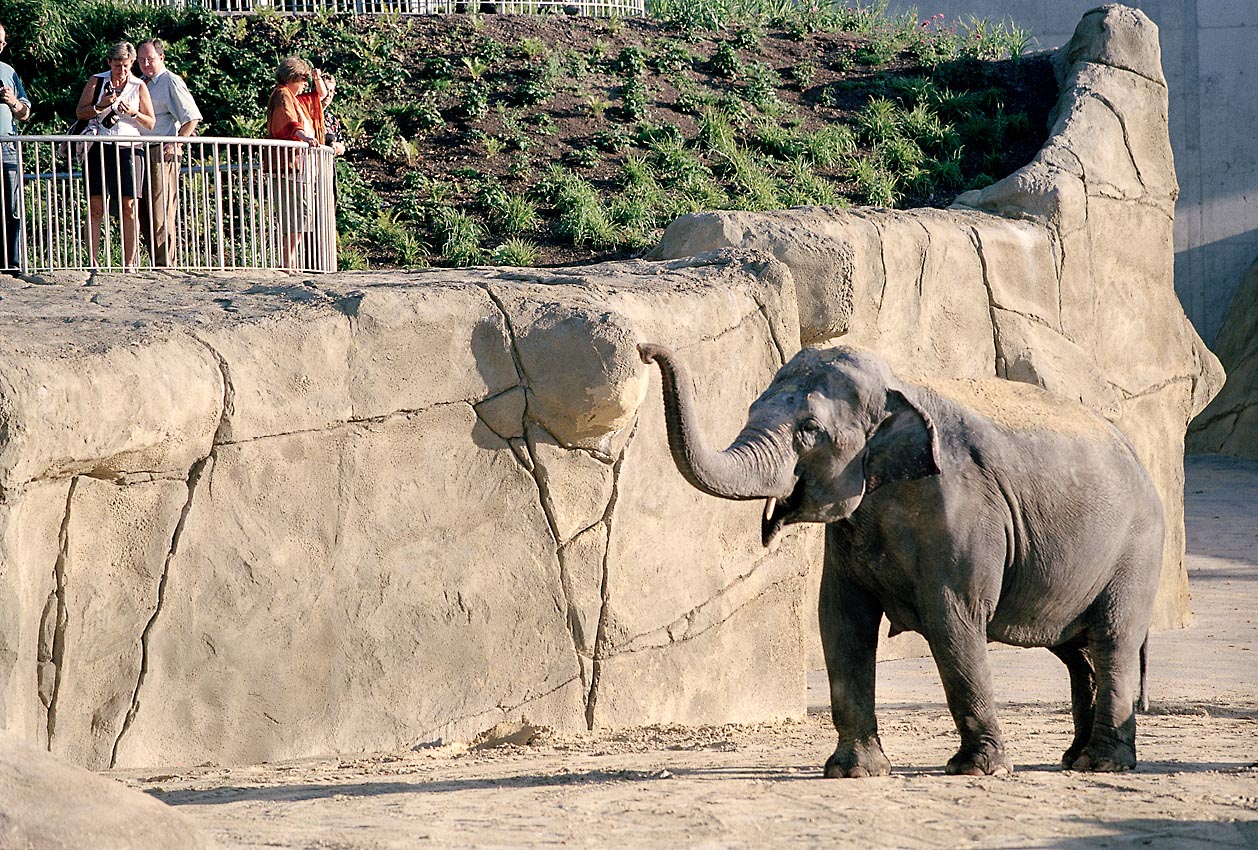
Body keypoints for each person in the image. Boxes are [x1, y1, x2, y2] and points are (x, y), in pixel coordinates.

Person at [74, 41, 155, 269]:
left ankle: (130, 262)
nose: (122, 70)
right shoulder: (97, 80)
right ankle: (92, 261)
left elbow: (150, 122)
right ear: (109, 62)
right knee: (96, 204)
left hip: (130, 146)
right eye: (118, 65)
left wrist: (134, 112)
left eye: (127, 66)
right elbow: (81, 112)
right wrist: (101, 106)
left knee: (129, 205)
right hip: (99, 145)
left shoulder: (139, 85)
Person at [136, 38, 201, 267]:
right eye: (141, 60)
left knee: (161, 211)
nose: (145, 64)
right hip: (138, 151)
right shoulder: (141, 82)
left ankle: (166, 263)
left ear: (161, 58)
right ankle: (153, 261)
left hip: (159, 153)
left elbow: (191, 116)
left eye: (150, 59)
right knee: (141, 211)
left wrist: (177, 143)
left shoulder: (170, 81)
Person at [264, 56, 327, 271]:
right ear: (293, 77)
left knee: (299, 213)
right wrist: (305, 137)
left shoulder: (292, 96)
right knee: (299, 212)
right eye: (303, 79)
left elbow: (321, 98)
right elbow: (287, 121)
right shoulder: (282, 93)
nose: (305, 84)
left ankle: (289, 260)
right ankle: (287, 260)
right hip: (290, 165)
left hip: (296, 166)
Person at [0, 23, 31, 272]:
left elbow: (25, 112)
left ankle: (12, 263)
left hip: (6, 147)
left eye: (1, 42)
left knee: (11, 207)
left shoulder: (8, 71)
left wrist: (12, 101)